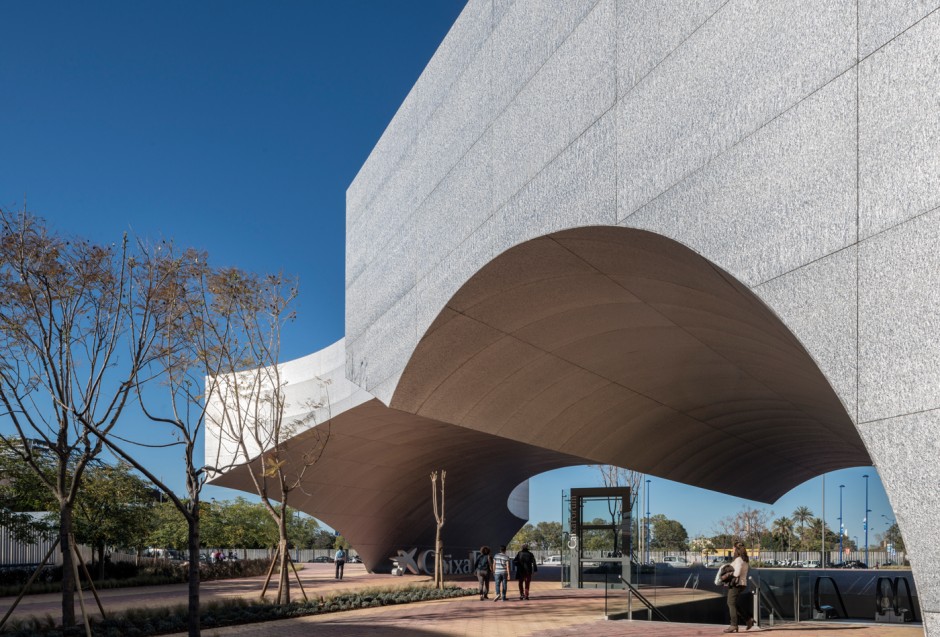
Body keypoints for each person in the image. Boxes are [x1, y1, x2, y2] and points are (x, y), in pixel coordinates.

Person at [724, 542, 754, 633]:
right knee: (733, 604)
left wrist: (727, 574)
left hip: (736, 584)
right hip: (742, 584)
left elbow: (736, 573)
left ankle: (733, 625)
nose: (732, 550)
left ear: (736, 549)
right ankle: (748, 619)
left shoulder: (738, 560)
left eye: (733, 548)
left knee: (730, 603)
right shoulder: (744, 559)